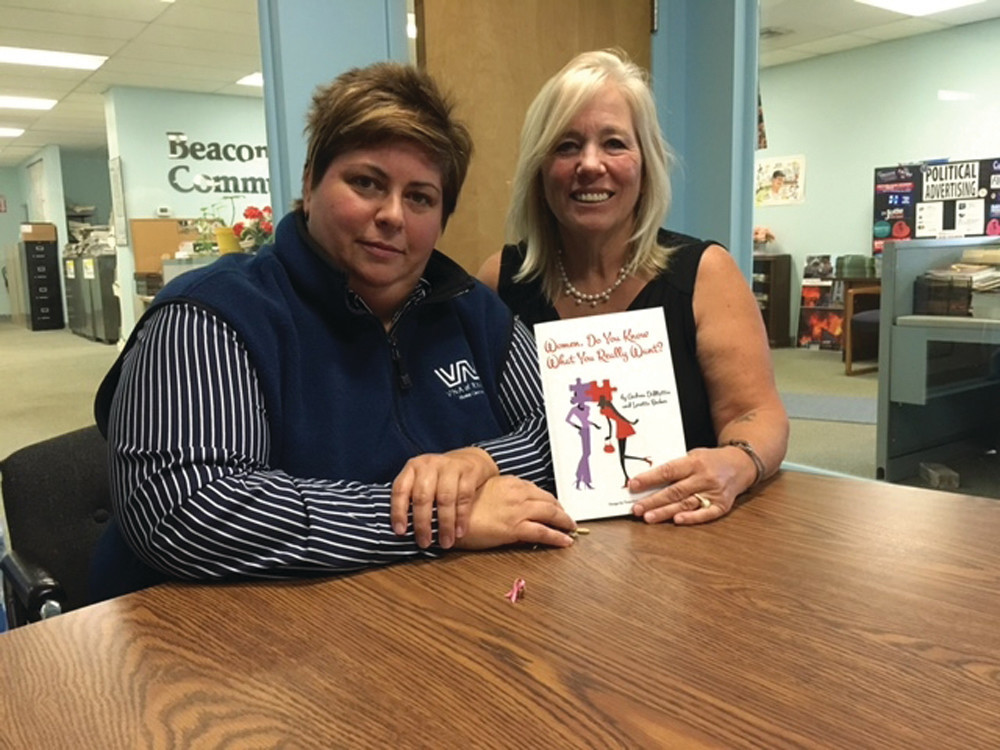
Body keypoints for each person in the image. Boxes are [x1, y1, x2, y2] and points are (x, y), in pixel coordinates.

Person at [90, 62, 576, 598]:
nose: (392, 214)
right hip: (220, 645)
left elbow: (570, 426)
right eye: (366, 182)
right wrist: (438, 522)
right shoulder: (210, 314)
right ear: (309, 182)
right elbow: (185, 509)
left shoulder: (474, 310)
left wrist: (478, 463)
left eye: (420, 197)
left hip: (423, 618)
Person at [478, 49, 789, 525]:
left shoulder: (706, 273)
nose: (590, 164)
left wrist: (739, 462)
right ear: (540, 171)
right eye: (566, 146)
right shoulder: (500, 280)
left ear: (645, 166)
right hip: (533, 544)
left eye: (614, 143)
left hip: (680, 534)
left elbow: (757, 414)